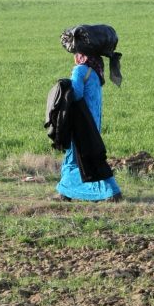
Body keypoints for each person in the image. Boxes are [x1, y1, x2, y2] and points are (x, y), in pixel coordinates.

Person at [56, 52, 123, 202]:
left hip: (81, 123)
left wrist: (64, 86)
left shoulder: (80, 70)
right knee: (89, 157)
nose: (75, 57)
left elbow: (77, 94)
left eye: (77, 54)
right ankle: (65, 192)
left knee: (77, 159)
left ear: (82, 57)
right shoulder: (96, 74)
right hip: (94, 123)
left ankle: (111, 192)